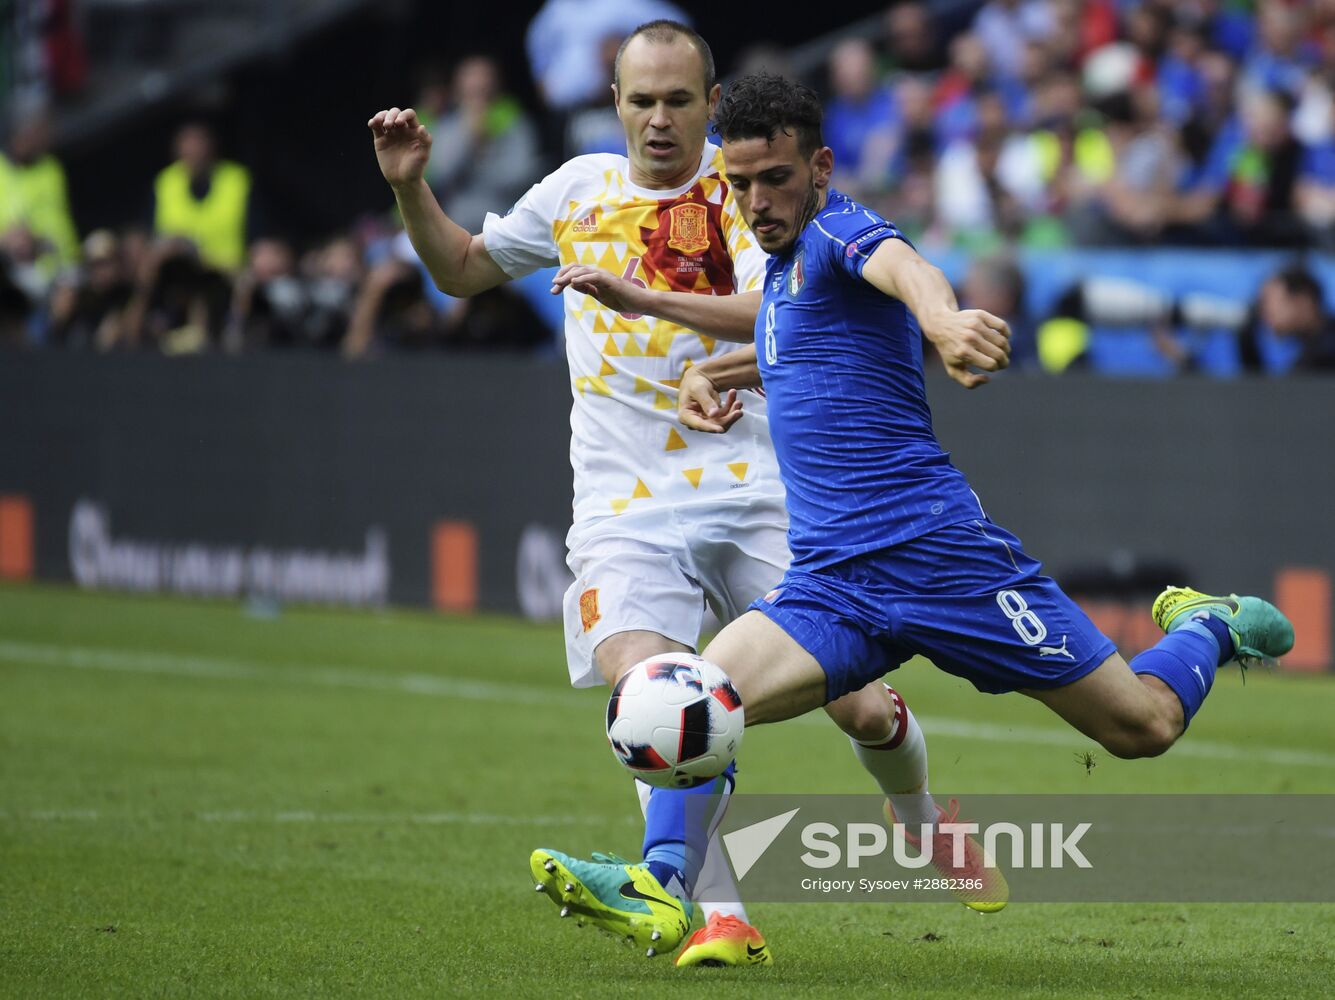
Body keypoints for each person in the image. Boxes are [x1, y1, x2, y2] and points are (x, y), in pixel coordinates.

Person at [368, 20, 998, 967]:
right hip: (624, 500)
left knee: (862, 709)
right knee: (653, 700)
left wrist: (644, 296)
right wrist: (411, 186)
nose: (658, 122)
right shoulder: (575, 191)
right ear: (613, 105)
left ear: (710, 104)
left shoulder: (751, 190)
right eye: (640, 101)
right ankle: (719, 918)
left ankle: (920, 817)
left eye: (677, 101)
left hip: (759, 487)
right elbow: (461, 270)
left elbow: (787, 305)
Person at [661, 73, 1292, 810]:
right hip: (831, 583)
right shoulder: (782, 270)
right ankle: (662, 883)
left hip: (936, 555)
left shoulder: (836, 232)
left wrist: (942, 322)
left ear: (820, 168)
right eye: (739, 184)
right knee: (693, 711)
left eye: (774, 178)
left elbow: (908, 268)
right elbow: (790, 353)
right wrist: (704, 370)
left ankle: (1205, 622)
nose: (756, 201)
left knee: (1142, 727)